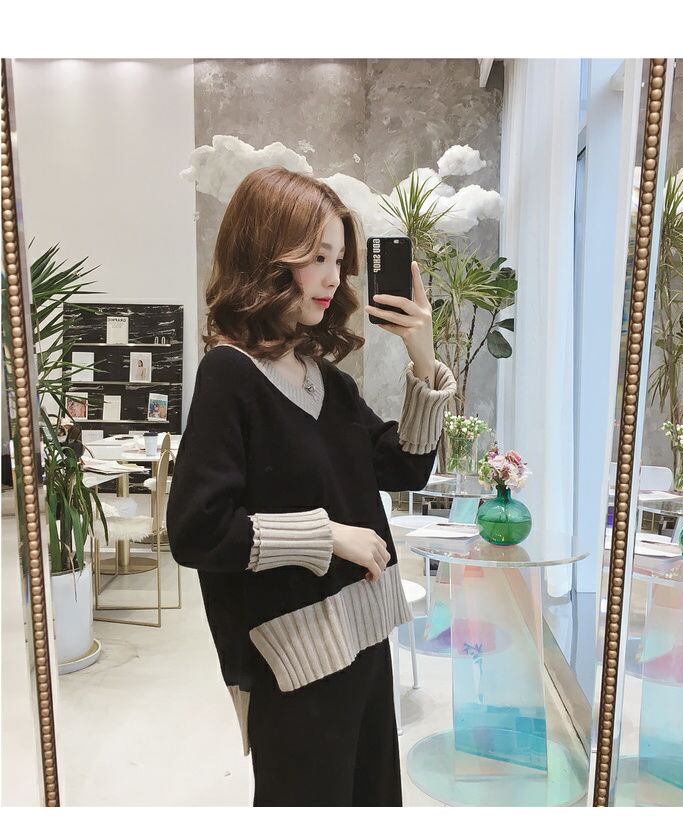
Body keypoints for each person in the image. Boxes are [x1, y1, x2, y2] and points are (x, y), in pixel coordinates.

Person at [166, 166, 456, 807]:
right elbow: (196, 529)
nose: (333, 277)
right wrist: (327, 536)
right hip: (295, 667)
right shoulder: (230, 375)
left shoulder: (328, 382)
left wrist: (422, 354)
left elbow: (405, 467)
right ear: (266, 257)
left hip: (366, 643)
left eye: (339, 260)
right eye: (317, 257)